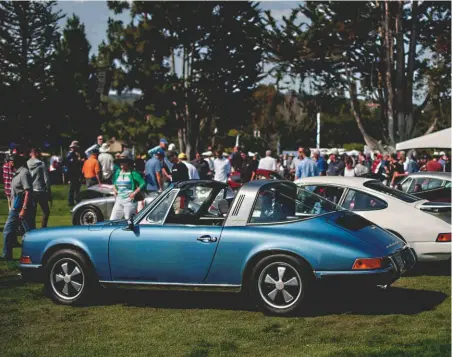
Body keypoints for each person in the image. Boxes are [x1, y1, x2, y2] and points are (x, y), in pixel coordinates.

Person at [2, 155, 34, 260]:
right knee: (7, 230)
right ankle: (7, 255)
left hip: (23, 208)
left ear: (15, 162)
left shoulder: (24, 173)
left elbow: (28, 192)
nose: (8, 164)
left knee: (28, 233)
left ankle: (31, 255)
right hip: (15, 208)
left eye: (10, 161)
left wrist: (24, 209)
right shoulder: (16, 174)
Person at [110, 153, 146, 221]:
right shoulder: (117, 172)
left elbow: (143, 183)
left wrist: (134, 193)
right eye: (120, 162)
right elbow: (114, 182)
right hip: (119, 200)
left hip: (129, 201)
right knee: (113, 220)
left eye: (123, 162)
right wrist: (114, 189)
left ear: (127, 163)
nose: (121, 163)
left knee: (129, 221)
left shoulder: (133, 173)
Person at [27, 148, 52, 228]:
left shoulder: (27, 163)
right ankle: (43, 227)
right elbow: (46, 179)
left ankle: (32, 228)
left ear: (31, 154)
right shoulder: (41, 164)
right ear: (37, 153)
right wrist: (48, 190)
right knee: (46, 211)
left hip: (31, 190)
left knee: (32, 212)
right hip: (40, 189)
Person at [66, 141, 82, 206]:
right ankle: (71, 201)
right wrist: (79, 160)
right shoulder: (71, 154)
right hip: (73, 173)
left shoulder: (76, 154)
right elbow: (73, 163)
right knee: (73, 187)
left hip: (76, 172)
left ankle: (76, 199)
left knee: (77, 187)